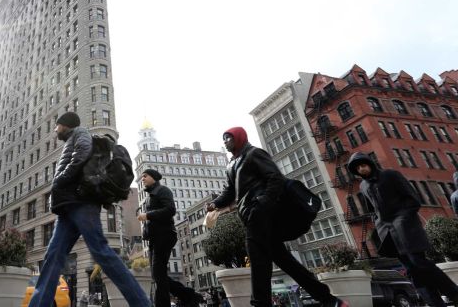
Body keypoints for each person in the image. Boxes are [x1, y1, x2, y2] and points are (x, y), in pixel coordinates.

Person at [206, 127, 347, 307]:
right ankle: (330, 300)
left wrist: (262, 203)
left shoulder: (254, 154)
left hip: (260, 214)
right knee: (284, 260)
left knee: (257, 258)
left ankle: (260, 304)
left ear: (239, 138)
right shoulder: (231, 165)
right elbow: (229, 192)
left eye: (228, 138)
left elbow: (275, 178)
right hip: (250, 215)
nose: (225, 142)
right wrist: (215, 204)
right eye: (224, 139)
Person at [27, 112, 151, 307]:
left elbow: (83, 153)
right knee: (52, 258)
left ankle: (142, 304)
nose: (55, 130)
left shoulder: (80, 133)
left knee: (101, 252)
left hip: (81, 203)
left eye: (57, 126)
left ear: (65, 125)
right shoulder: (72, 139)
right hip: (68, 208)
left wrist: (61, 179)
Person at [347, 152, 458, 307]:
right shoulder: (363, 186)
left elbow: (413, 199)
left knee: (420, 263)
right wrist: (378, 223)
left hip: (406, 228)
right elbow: (373, 210)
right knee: (412, 271)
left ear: (370, 163)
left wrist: (403, 219)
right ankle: (436, 304)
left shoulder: (390, 175)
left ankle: (454, 294)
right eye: (358, 168)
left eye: (363, 165)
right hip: (388, 233)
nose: (361, 169)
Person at [138, 168, 204, 306]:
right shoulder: (150, 196)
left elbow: (170, 210)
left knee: (158, 275)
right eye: (142, 177)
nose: (142, 179)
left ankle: (174, 300)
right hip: (154, 238)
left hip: (164, 235)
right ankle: (189, 295)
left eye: (145, 176)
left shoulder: (163, 190)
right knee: (158, 275)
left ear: (154, 177)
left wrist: (148, 215)